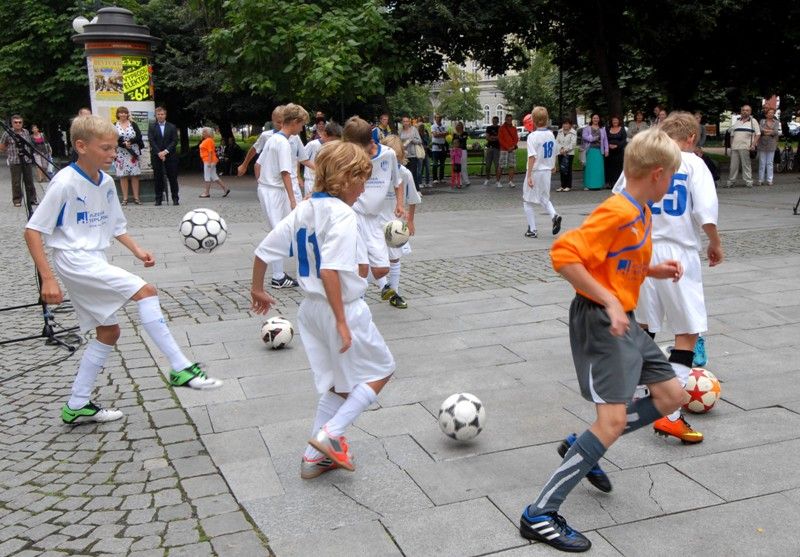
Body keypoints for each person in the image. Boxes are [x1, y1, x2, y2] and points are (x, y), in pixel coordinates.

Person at [519, 128, 686, 552]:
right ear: (658, 174)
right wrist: (610, 302)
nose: (673, 183)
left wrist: (653, 272)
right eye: (673, 177)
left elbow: (616, 261)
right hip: (600, 320)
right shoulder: (617, 210)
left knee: (671, 396)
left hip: (623, 318)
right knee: (610, 422)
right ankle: (539, 513)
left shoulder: (642, 210)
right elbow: (564, 255)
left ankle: (582, 445)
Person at [24, 115, 222, 424]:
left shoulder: (105, 182)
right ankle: (180, 367)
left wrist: (137, 250)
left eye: (114, 147)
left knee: (109, 331)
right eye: (105, 148)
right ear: (81, 146)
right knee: (146, 291)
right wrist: (48, 279)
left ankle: (77, 403)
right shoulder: (64, 181)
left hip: (94, 259)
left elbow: (115, 226)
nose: (113, 153)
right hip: (74, 260)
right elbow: (33, 231)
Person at [250, 140, 395, 479]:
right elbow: (330, 270)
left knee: (337, 384)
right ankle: (329, 436)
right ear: (344, 179)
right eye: (361, 179)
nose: (363, 188)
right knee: (382, 369)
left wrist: (257, 288)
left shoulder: (304, 208)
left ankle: (314, 457)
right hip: (339, 308)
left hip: (310, 311)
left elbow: (262, 251)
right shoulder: (343, 214)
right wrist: (343, 323)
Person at [613, 111, 723, 444]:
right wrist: (715, 243)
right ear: (691, 138)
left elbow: (619, 199)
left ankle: (632, 393)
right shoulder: (692, 163)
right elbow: (705, 210)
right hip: (678, 256)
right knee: (687, 332)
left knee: (644, 327)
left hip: (642, 252)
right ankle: (670, 415)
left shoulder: (647, 158)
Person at [342, 116, 404, 283]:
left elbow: (398, 182)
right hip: (354, 215)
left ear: (368, 141)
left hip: (375, 218)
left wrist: (399, 204)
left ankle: (350, 283)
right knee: (361, 266)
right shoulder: (349, 157)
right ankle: (354, 299)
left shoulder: (388, 154)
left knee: (381, 270)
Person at [255, 103, 309, 289]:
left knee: (282, 230)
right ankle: (278, 276)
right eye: (301, 125)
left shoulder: (273, 139)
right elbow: (286, 173)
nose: (302, 129)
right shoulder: (284, 143)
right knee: (281, 231)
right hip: (274, 191)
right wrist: (293, 200)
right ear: (294, 122)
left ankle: (279, 274)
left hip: (268, 189)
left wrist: (261, 182)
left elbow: (259, 164)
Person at [380, 134, 422, 309]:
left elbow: (412, 199)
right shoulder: (375, 172)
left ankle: (394, 293)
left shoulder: (405, 174)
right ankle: (384, 286)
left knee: (394, 260)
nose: (394, 163)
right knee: (372, 260)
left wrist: (410, 221)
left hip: (394, 224)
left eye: (397, 158)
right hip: (374, 222)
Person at [522, 107, 562, 239]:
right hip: (547, 171)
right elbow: (555, 151)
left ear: (533, 120)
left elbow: (532, 156)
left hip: (535, 170)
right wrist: (554, 165)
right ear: (547, 119)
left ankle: (532, 229)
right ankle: (554, 215)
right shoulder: (551, 134)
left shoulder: (532, 136)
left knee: (527, 200)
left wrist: (529, 175)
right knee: (545, 198)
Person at [0, 115, 37, 208]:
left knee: (29, 181)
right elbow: (2, 146)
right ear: (12, 123)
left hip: (26, 160)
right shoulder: (7, 133)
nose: (18, 124)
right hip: (14, 161)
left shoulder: (26, 132)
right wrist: (9, 153)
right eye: (16, 122)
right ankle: (17, 200)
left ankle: (32, 199)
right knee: (16, 182)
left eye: (20, 122)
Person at [148, 107, 180, 206]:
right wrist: (159, 153)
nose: (160, 116)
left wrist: (165, 152)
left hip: (170, 155)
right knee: (158, 178)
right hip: (157, 156)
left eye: (162, 114)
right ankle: (158, 198)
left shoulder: (172, 126)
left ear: (165, 115)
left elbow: (174, 141)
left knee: (172, 177)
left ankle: (175, 198)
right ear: (156, 116)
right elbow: (151, 140)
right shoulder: (152, 126)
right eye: (159, 114)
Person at [114, 107, 144, 206]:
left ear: (127, 114)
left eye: (125, 113)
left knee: (135, 175)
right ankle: (125, 199)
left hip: (132, 153)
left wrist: (129, 142)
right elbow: (113, 138)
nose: (123, 115)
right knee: (123, 176)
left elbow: (139, 136)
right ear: (118, 114)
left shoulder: (133, 124)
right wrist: (123, 144)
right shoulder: (114, 125)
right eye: (121, 113)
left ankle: (136, 198)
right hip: (121, 153)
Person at [725, 105, 760, 188]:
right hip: (735, 147)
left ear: (750, 112)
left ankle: (748, 181)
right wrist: (731, 145)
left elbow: (758, 134)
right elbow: (732, 134)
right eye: (743, 110)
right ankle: (731, 182)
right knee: (733, 166)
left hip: (746, 147)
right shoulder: (737, 122)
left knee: (746, 165)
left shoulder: (753, 121)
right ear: (741, 111)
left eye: (747, 110)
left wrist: (753, 145)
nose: (745, 111)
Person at [303, 121, 342, 193]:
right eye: (333, 140)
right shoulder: (312, 144)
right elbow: (300, 159)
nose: (335, 143)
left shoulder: (334, 147)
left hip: (325, 183)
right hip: (311, 181)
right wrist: (299, 177)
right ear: (325, 135)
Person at [198, 127, 230, 198]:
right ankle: (225, 189)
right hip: (211, 160)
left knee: (207, 176)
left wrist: (209, 162)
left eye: (204, 132)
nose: (202, 133)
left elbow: (210, 151)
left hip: (208, 161)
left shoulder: (208, 140)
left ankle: (207, 193)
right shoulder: (208, 140)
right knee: (214, 176)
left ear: (207, 133)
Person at [581, 113, 608, 190]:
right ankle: (588, 185)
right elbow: (584, 137)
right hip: (590, 150)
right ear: (591, 119)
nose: (596, 119)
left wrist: (606, 150)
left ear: (599, 119)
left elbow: (605, 140)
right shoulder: (587, 128)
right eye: (594, 118)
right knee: (589, 168)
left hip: (599, 151)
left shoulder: (602, 129)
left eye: (597, 118)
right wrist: (594, 138)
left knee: (598, 169)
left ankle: (598, 185)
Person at [757, 107, 781, 186]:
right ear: (766, 114)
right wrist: (769, 131)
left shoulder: (776, 122)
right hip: (762, 143)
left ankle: (769, 180)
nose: (771, 114)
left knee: (770, 163)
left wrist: (766, 131)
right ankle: (760, 180)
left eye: (772, 113)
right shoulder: (762, 121)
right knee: (762, 162)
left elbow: (776, 132)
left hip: (772, 144)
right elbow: (760, 130)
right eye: (769, 113)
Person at [399, 116, 423, 190]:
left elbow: (419, 141)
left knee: (413, 173)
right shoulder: (400, 131)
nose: (406, 123)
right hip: (404, 155)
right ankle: (406, 190)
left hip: (412, 154)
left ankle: (416, 190)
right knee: (404, 173)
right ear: (402, 122)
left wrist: (412, 140)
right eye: (404, 121)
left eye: (407, 121)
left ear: (409, 122)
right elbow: (399, 142)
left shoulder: (414, 129)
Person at [605, 115, 627, 188]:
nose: (615, 121)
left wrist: (617, 146)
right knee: (609, 167)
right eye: (613, 120)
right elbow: (605, 139)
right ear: (611, 121)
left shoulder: (622, 129)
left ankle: (617, 184)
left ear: (619, 121)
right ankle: (609, 183)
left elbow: (624, 141)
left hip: (619, 152)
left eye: (616, 120)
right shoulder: (608, 129)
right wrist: (608, 145)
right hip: (610, 152)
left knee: (618, 167)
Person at [497, 114, 519, 188]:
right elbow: (500, 139)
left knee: (512, 166)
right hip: (503, 150)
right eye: (508, 119)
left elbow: (516, 138)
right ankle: (498, 181)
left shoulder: (514, 128)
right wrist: (507, 147)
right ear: (505, 119)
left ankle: (510, 181)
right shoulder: (501, 128)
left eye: (510, 119)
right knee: (501, 166)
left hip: (512, 149)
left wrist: (513, 146)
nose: (509, 121)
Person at [555, 119, 576, 192]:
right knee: (562, 170)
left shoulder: (573, 132)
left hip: (569, 154)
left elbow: (573, 144)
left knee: (568, 170)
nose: (565, 125)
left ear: (570, 125)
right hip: (560, 153)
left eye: (567, 124)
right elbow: (556, 141)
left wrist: (565, 150)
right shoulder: (560, 131)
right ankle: (562, 185)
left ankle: (568, 186)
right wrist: (560, 149)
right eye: (564, 124)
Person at [483, 116, 500, 186]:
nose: (494, 121)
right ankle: (487, 178)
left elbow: (500, 137)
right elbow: (487, 137)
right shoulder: (489, 128)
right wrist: (494, 138)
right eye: (493, 120)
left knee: (497, 165)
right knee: (488, 165)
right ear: (492, 121)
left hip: (497, 148)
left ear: (498, 121)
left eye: (496, 120)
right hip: (489, 148)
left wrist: (492, 137)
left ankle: (497, 180)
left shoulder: (500, 128)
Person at [430, 114, 447, 184]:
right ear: (435, 118)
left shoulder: (444, 126)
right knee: (435, 164)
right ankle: (435, 178)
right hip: (435, 148)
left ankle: (441, 178)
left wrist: (439, 133)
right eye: (437, 117)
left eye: (440, 117)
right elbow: (435, 135)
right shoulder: (433, 126)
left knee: (442, 164)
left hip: (443, 147)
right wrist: (442, 134)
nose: (439, 119)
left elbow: (446, 134)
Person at [452, 122, 470, 186]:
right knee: (457, 167)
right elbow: (453, 142)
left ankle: (466, 181)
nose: (458, 127)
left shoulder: (465, 133)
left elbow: (463, 140)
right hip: (456, 151)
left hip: (463, 151)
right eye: (457, 125)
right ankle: (459, 181)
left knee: (464, 166)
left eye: (460, 125)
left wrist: (458, 138)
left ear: (462, 126)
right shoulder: (454, 134)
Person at [417, 123, 432, 188]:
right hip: (420, 153)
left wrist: (427, 145)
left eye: (423, 127)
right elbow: (418, 143)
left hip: (426, 153)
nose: (422, 128)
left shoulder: (426, 134)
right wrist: (424, 146)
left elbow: (428, 141)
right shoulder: (417, 135)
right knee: (420, 169)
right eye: (420, 127)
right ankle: (419, 182)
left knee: (428, 168)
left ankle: (427, 182)